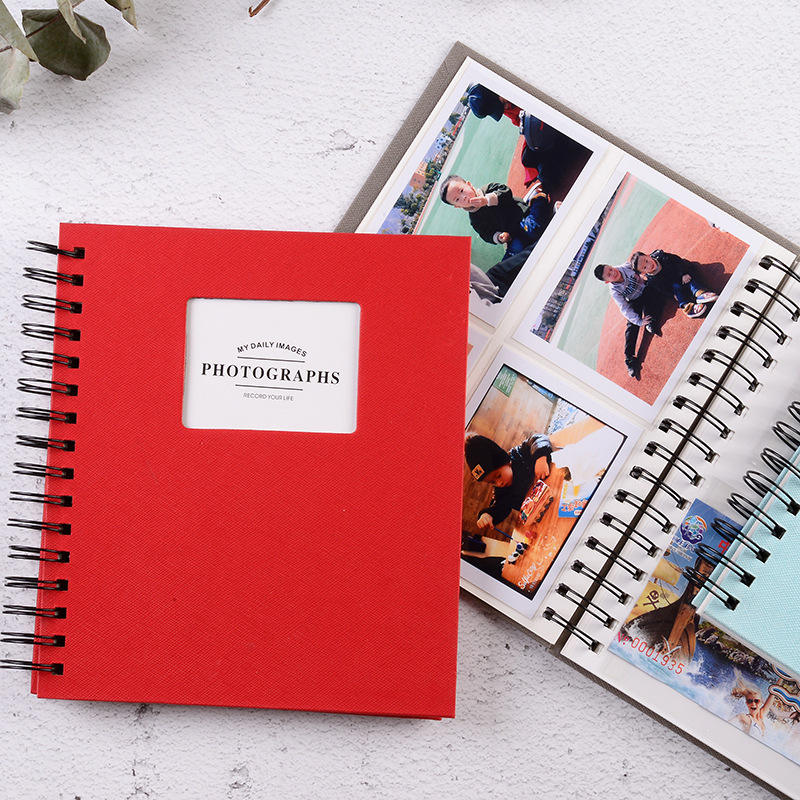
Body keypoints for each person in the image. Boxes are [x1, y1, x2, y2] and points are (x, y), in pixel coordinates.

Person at [439, 175, 553, 258]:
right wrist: (499, 237)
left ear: (469, 185)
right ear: (457, 206)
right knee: (514, 253)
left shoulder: (488, 189)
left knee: (532, 229)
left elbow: (506, 192)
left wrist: (487, 200)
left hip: (522, 214)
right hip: (513, 233)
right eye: (457, 199)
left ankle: (538, 199)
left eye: (461, 191)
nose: (463, 197)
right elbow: (486, 233)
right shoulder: (475, 219)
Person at [464, 431, 552, 530]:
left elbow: (538, 438)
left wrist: (541, 458)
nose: (499, 483)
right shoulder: (502, 492)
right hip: (543, 513)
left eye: (498, 476)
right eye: (492, 482)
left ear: (506, 461)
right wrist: (488, 515)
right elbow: (500, 508)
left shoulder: (520, 455)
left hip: (556, 485)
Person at [594, 261, 664, 380]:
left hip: (646, 289)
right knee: (631, 325)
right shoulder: (615, 291)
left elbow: (643, 265)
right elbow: (625, 309)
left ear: (611, 266)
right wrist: (639, 321)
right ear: (607, 281)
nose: (613, 273)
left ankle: (651, 322)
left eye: (610, 269)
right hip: (634, 300)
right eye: (609, 275)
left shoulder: (626, 266)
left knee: (657, 296)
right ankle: (630, 359)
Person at [631, 250, 718, 318]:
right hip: (674, 285)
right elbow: (663, 289)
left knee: (691, 281)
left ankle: (701, 293)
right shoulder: (652, 280)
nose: (649, 265)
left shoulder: (662, 256)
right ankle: (687, 306)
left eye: (646, 261)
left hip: (680, 274)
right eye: (645, 267)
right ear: (643, 273)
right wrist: (672, 295)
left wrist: (683, 273)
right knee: (677, 291)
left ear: (648, 255)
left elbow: (678, 261)